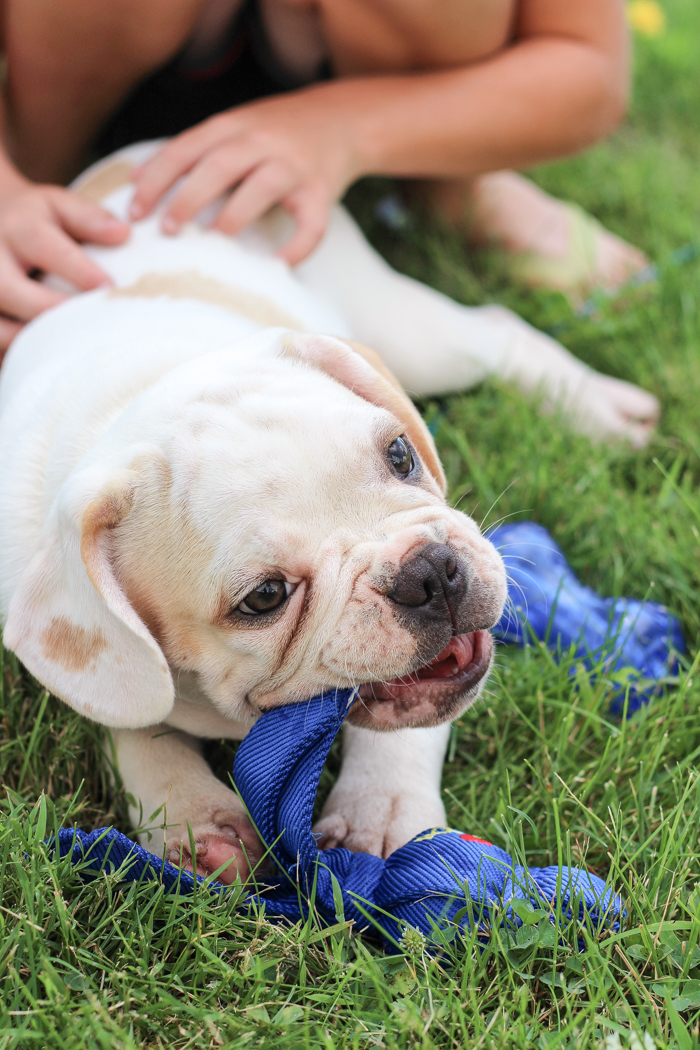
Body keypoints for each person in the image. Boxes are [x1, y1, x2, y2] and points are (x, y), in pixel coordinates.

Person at [0, 0, 646, 352]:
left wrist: (345, 128)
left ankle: (444, 183)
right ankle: (39, 186)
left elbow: (585, 66)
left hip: (357, 80)